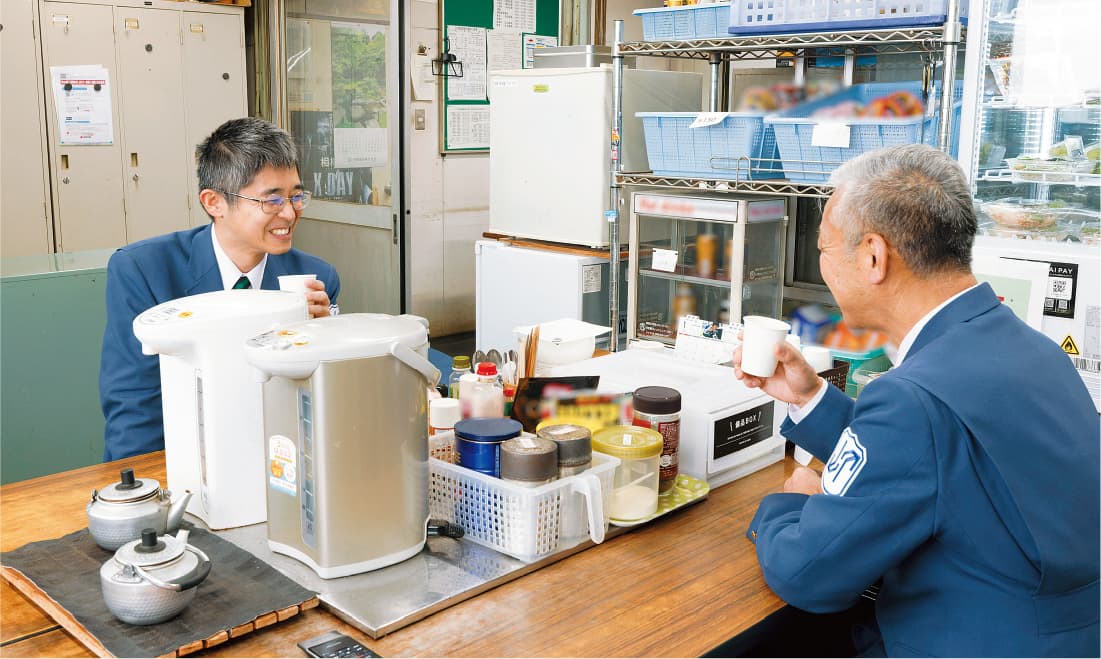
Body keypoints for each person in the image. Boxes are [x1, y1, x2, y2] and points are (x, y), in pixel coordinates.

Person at [719, 144, 1099, 657]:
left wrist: (791, 502)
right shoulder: (1031, 349)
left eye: (825, 250)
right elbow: (929, 460)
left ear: (874, 256)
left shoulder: (914, 399)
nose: (824, 266)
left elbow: (809, 573)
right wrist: (809, 397)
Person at [99, 117, 340, 461]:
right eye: (271, 200)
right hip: (185, 461)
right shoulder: (144, 270)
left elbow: (324, 405)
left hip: (279, 459)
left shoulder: (317, 277)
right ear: (214, 203)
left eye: (296, 196)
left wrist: (322, 340)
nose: (289, 213)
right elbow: (134, 403)